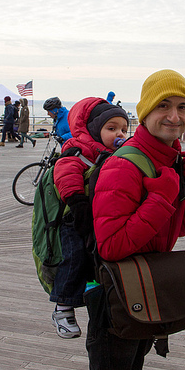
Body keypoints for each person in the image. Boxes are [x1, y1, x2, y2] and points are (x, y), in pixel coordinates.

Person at [84, 69, 185, 370]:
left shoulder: (169, 159)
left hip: (146, 288)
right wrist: (159, 199)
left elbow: (182, 227)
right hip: (116, 298)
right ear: (145, 112)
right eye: (164, 106)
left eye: (183, 107)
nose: (175, 116)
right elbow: (111, 245)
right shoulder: (124, 166)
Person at [50, 97, 130, 338]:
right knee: (74, 257)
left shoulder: (117, 153)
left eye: (124, 129)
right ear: (94, 128)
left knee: (98, 260)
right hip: (76, 217)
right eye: (112, 128)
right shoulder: (79, 150)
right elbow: (65, 175)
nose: (120, 134)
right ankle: (63, 307)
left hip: (102, 218)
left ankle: (95, 296)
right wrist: (77, 204)